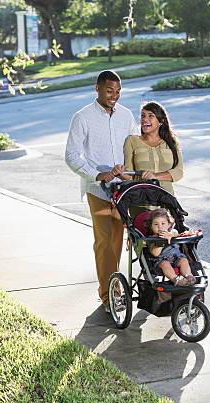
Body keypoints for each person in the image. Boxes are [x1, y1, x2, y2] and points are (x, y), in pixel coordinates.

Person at [65, 70, 140, 307]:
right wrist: (97, 174)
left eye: (118, 91)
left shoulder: (126, 115)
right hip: (97, 188)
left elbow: (133, 149)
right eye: (109, 90)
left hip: (123, 188)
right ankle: (108, 296)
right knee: (105, 241)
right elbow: (71, 155)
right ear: (97, 88)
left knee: (117, 241)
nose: (114, 95)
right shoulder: (82, 117)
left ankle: (114, 286)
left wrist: (130, 173)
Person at [122, 101, 183, 196]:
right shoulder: (131, 141)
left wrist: (155, 176)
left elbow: (178, 171)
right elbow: (129, 175)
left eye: (150, 116)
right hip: (141, 202)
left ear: (161, 121)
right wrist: (120, 173)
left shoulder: (172, 142)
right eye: (143, 116)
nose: (145, 120)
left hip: (166, 201)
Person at [146, 209, 196, 286]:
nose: (160, 227)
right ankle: (176, 279)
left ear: (169, 224)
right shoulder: (152, 238)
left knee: (184, 260)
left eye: (163, 223)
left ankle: (188, 276)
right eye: (156, 224)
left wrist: (170, 235)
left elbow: (176, 233)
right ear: (151, 226)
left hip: (177, 257)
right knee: (165, 264)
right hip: (161, 260)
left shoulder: (172, 232)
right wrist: (161, 242)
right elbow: (155, 253)